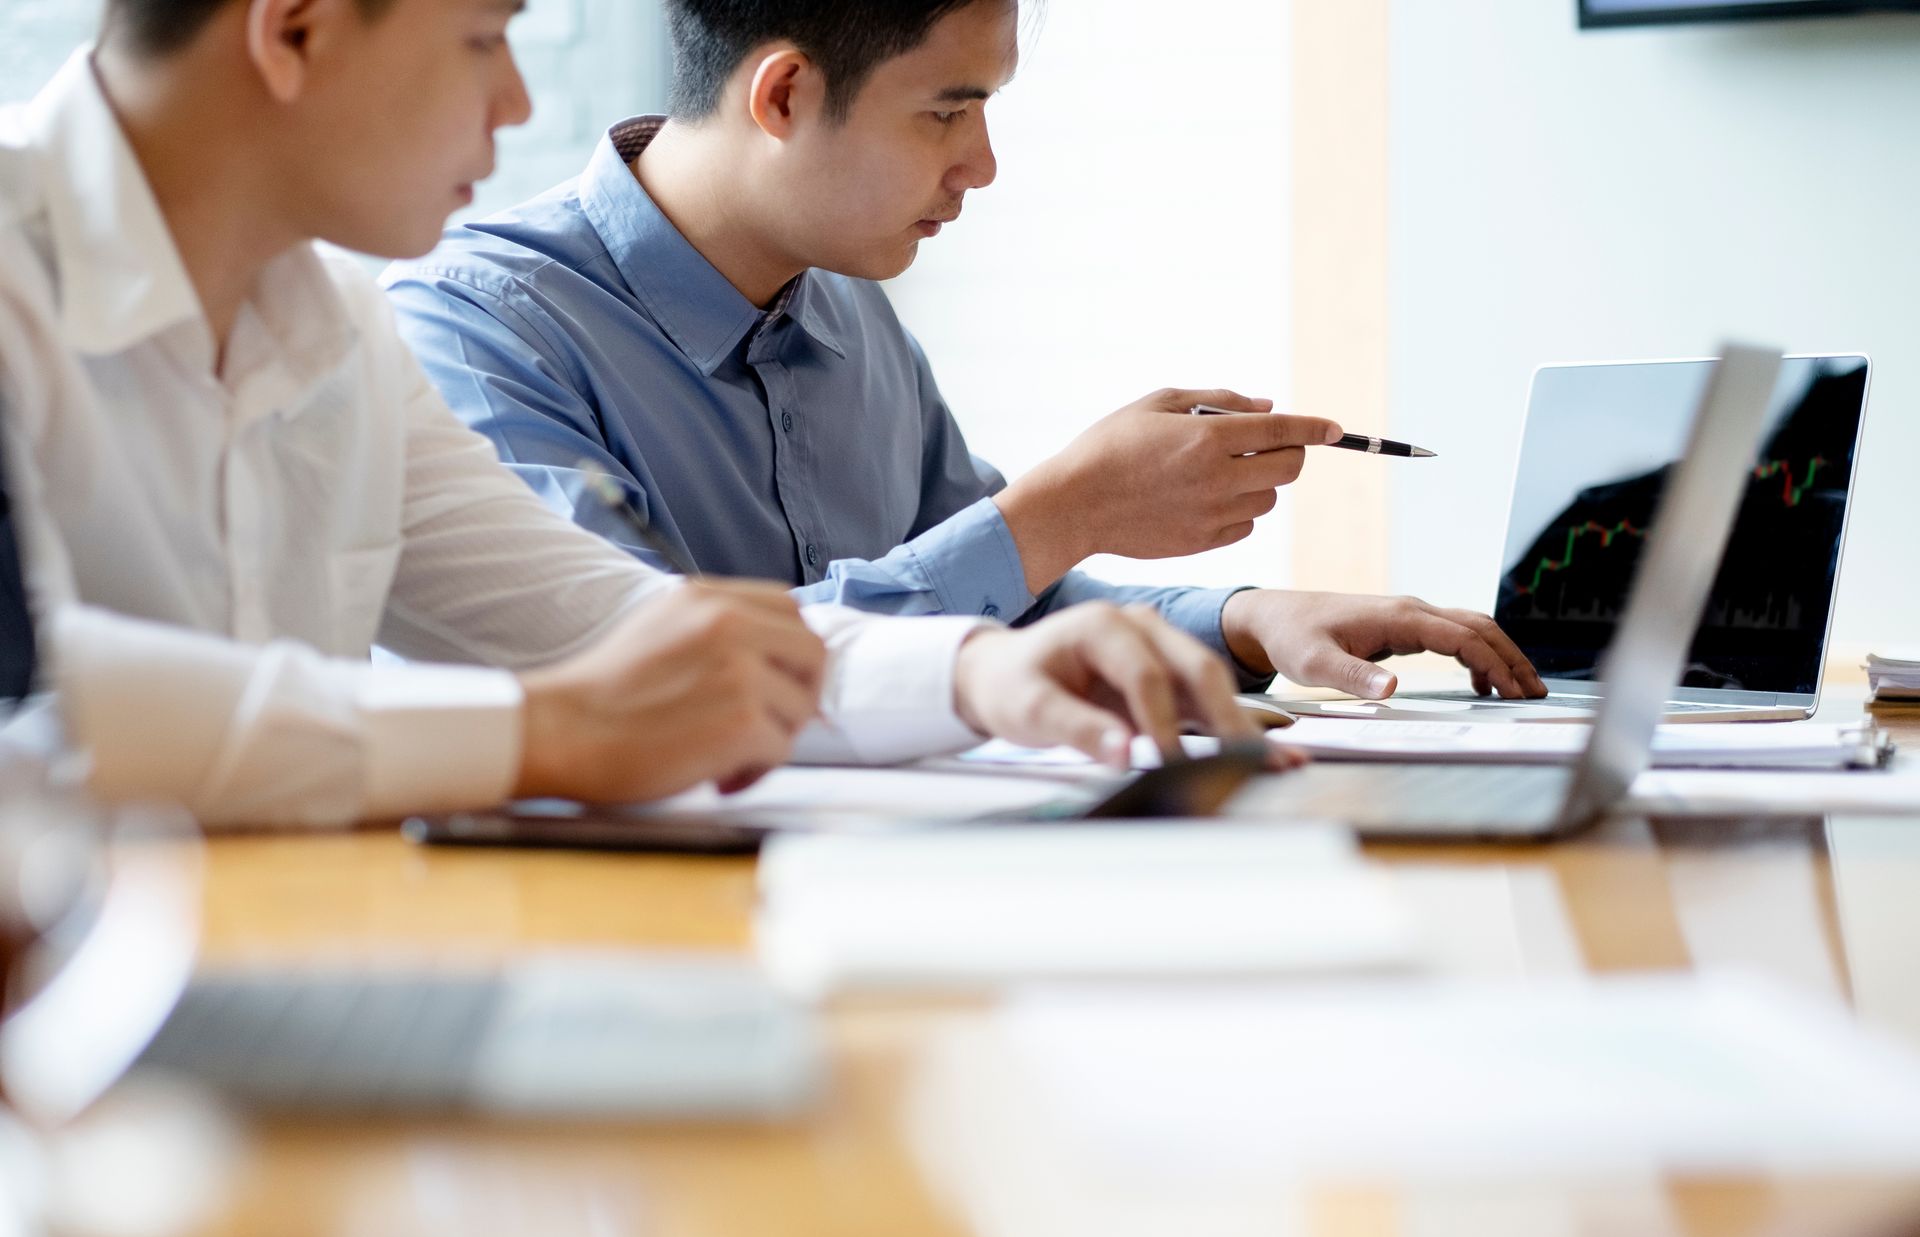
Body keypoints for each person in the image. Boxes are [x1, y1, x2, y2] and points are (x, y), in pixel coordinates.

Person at [0, 0, 1280, 832]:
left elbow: (618, 625)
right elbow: (37, 720)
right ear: (295, 31)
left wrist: (973, 669)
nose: (513, 104)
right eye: (482, 38)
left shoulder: (336, 334)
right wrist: (544, 730)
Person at [384, 0, 1549, 707]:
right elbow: (650, 670)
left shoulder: (848, 304)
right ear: (783, 95)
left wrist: (1249, 619)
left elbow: (994, 604)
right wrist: (1061, 507)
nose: (981, 163)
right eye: (945, 112)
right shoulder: (478, 330)